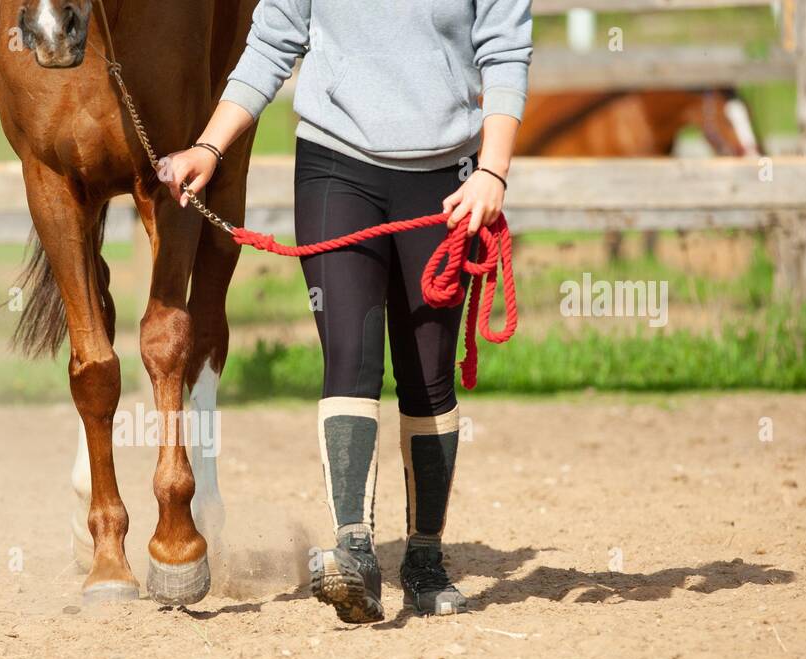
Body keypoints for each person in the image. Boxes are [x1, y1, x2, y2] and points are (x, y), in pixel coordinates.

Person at [161, 0, 532, 623]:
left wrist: (492, 170)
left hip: (446, 177)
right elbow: (273, 41)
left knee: (427, 376)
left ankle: (424, 559)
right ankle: (355, 551)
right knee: (350, 357)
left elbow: (504, 51)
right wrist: (210, 147)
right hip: (336, 169)